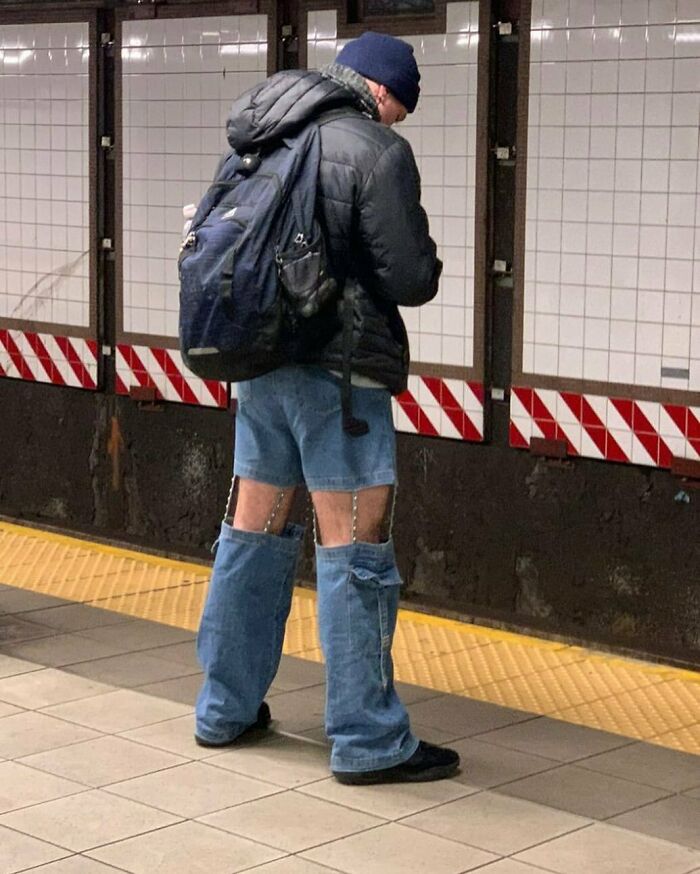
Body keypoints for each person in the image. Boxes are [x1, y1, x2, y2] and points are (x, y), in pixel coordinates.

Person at [194, 31, 460, 784]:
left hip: (258, 367)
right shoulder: (372, 148)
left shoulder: (256, 134)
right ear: (381, 93)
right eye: (398, 111)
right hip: (338, 377)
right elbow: (409, 275)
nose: (395, 124)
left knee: (255, 525)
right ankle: (370, 740)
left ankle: (225, 707)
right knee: (354, 547)